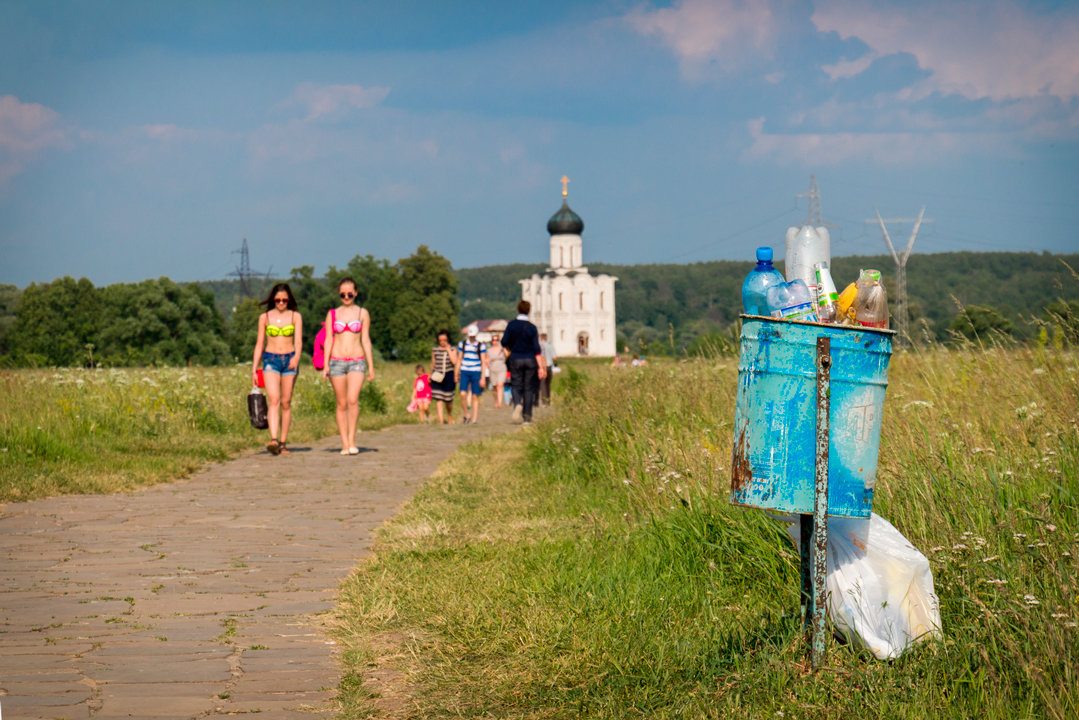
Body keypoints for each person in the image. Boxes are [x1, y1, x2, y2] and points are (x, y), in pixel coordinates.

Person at [321, 277, 375, 455]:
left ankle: (352, 440)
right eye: (343, 294)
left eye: (350, 293)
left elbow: (366, 340)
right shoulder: (332, 314)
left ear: (356, 293)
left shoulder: (362, 313)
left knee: (353, 399)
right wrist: (325, 365)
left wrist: (371, 366)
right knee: (341, 403)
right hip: (336, 361)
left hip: (357, 360)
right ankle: (344, 443)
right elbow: (328, 339)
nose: (346, 296)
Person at [252, 283, 303, 455]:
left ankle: (283, 442)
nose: (281, 303)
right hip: (271, 360)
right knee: (273, 399)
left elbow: (298, 341)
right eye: (278, 300)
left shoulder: (295, 316)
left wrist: (296, 357)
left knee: (286, 402)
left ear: (289, 300)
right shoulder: (264, 317)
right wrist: (254, 368)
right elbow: (259, 344)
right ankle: (273, 439)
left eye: (284, 300)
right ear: (273, 299)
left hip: (289, 360)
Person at [500, 300, 546, 425]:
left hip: (515, 359)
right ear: (529, 310)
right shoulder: (532, 327)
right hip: (530, 360)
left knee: (516, 385)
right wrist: (541, 367)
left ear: (518, 309)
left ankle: (517, 404)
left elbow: (503, 342)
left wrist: (511, 345)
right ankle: (527, 417)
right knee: (529, 388)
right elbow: (537, 349)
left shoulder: (511, 325)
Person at [455, 325, 488, 424]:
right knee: (462, 394)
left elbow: (483, 361)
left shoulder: (480, 346)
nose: (472, 337)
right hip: (464, 370)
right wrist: (456, 373)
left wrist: (483, 377)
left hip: (476, 371)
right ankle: (466, 414)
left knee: (475, 395)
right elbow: (459, 359)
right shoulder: (463, 344)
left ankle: (474, 418)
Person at [430, 330, 458, 424]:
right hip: (437, 376)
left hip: (448, 375)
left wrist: (448, 350)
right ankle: (441, 421)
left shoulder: (453, 349)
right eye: (440, 340)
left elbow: (454, 362)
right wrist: (430, 375)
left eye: (444, 340)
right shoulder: (435, 350)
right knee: (439, 398)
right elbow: (433, 363)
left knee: (448, 399)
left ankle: (449, 414)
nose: (442, 342)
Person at [487, 335, 508, 408]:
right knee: (495, 387)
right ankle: (496, 401)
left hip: (501, 368)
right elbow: (487, 359)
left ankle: (500, 403)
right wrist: (487, 364)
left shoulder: (502, 349)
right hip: (493, 369)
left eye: (496, 340)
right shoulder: (489, 350)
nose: (495, 341)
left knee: (500, 385)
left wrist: (505, 349)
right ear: (491, 341)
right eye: (493, 340)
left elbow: (507, 355)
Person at [538, 332, 556, 407]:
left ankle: (544, 402)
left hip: (542, 367)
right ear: (546, 338)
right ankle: (548, 401)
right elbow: (554, 358)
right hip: (549, 367)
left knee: (543, 385)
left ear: (540, 338)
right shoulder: (550, 345)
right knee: (548, 384)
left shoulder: (539, 345)